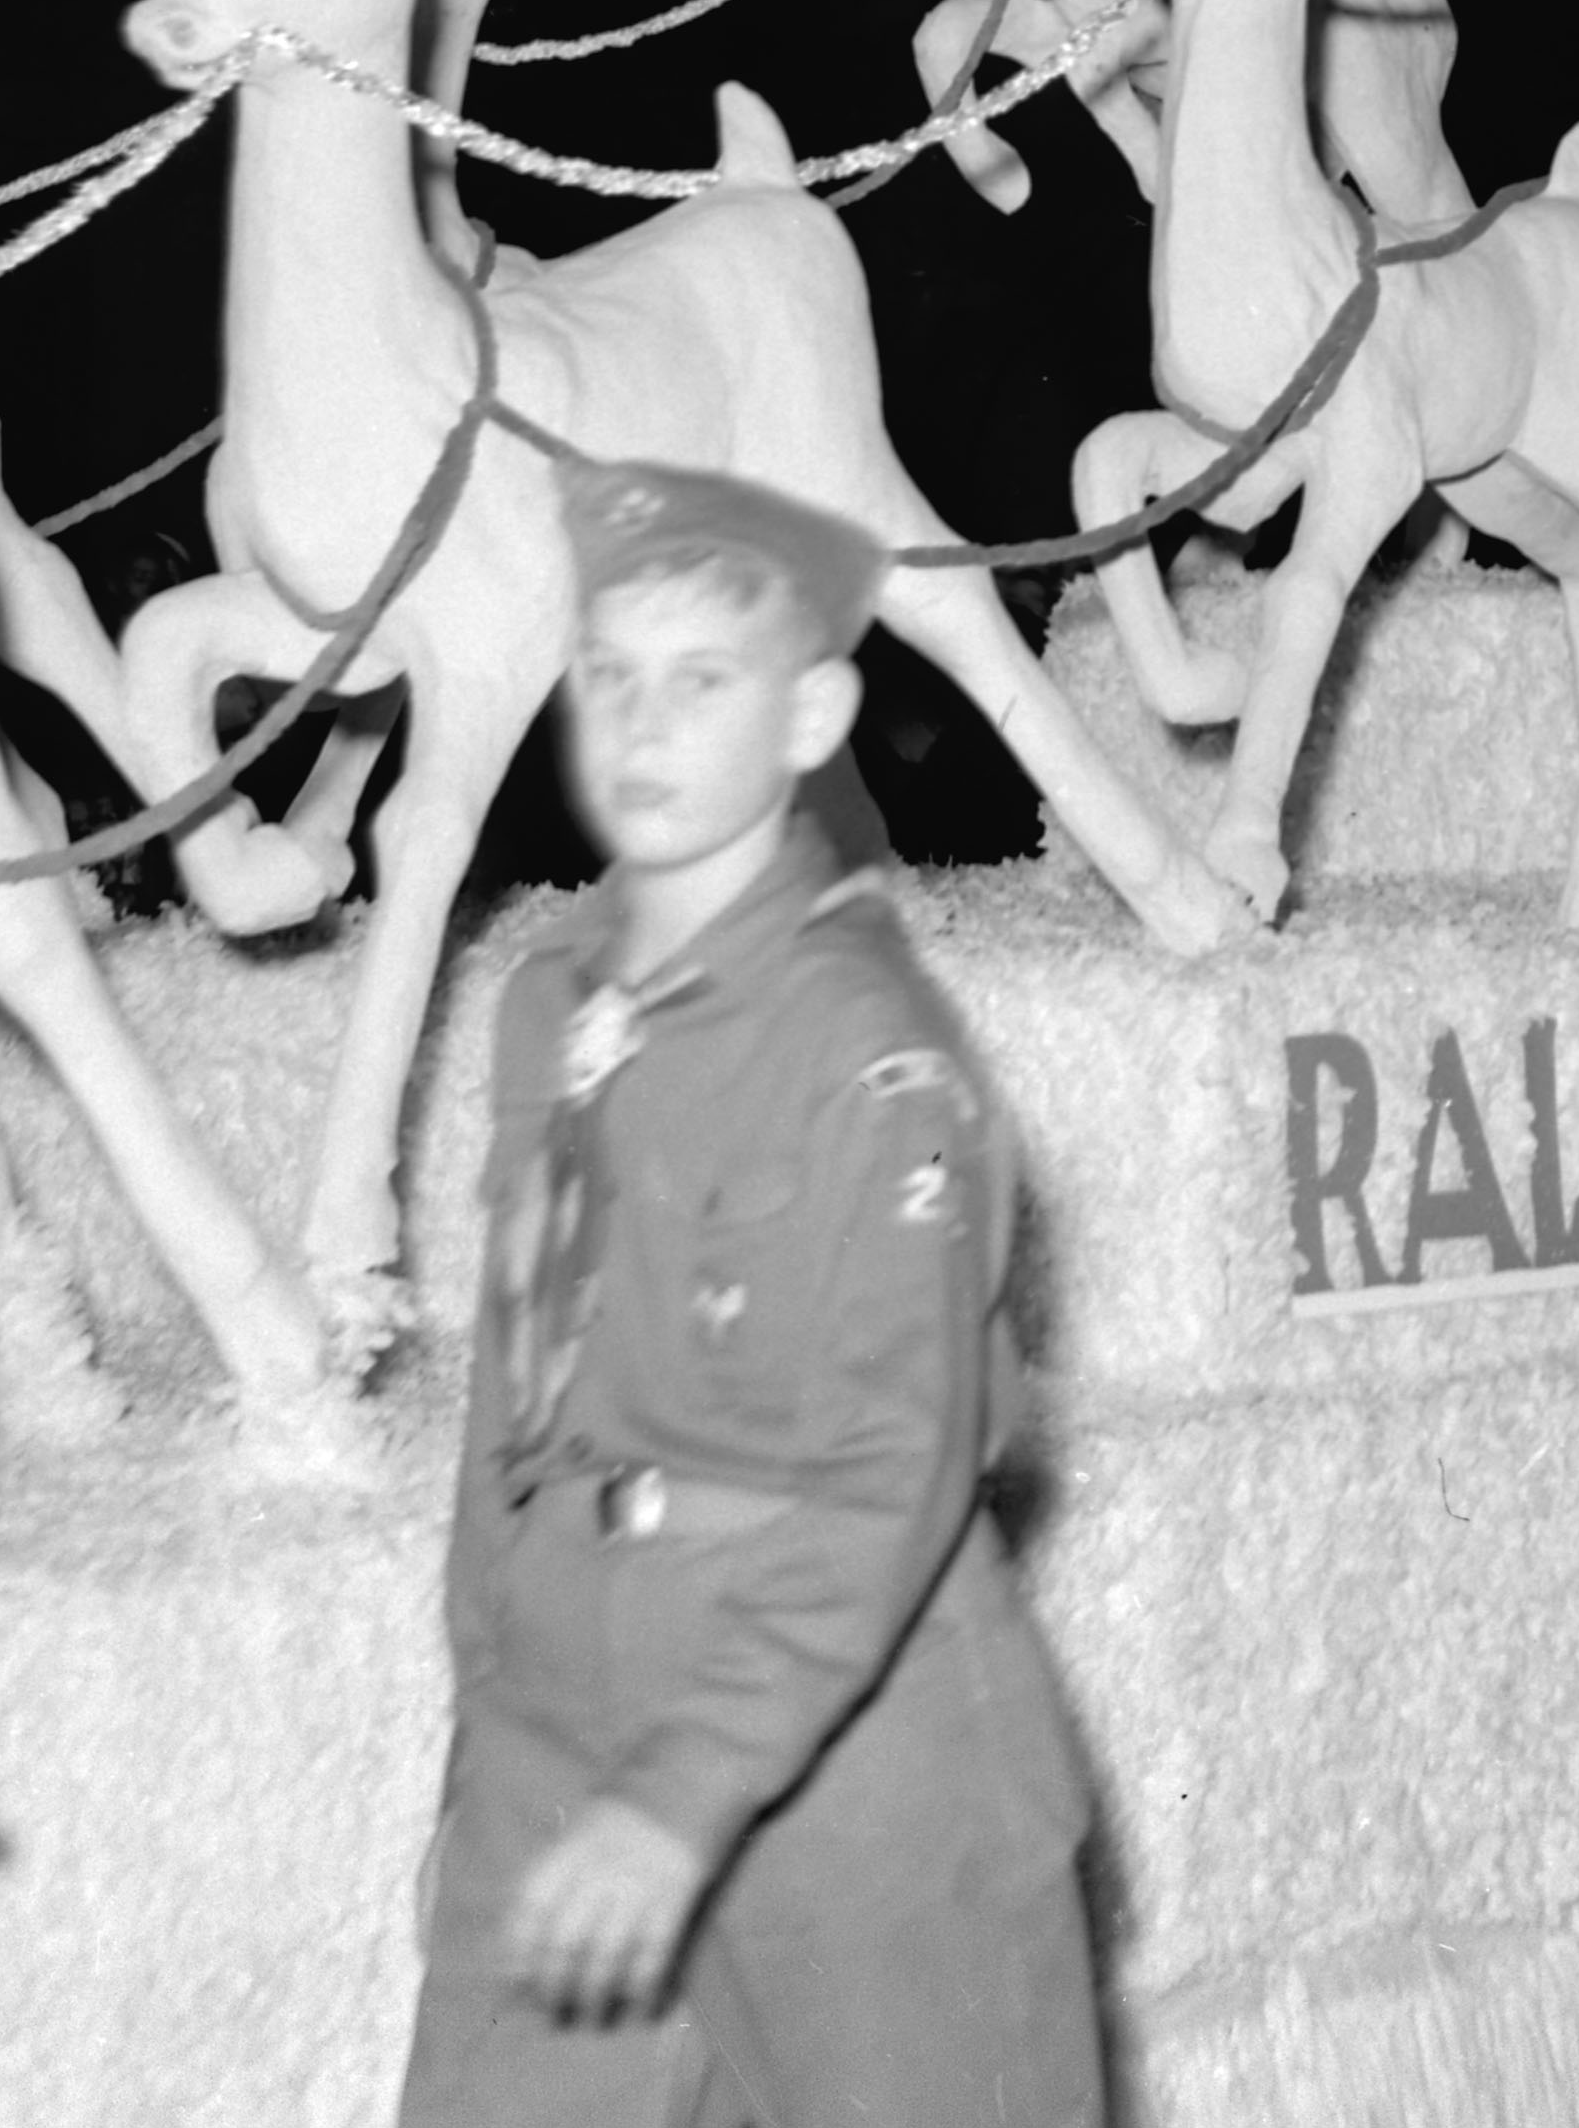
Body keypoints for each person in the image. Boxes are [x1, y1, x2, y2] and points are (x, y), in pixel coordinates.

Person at [401, 454, 1100, 2128]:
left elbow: (893, 1473)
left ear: (810, 715)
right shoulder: (545, 1002)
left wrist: (681, 1796)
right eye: (609, 674)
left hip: (854, 1759)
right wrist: (493, 1713)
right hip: (564, 1735)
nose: (639, 726)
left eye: (700, 680)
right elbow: (522, 1392)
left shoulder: (871, 1054)